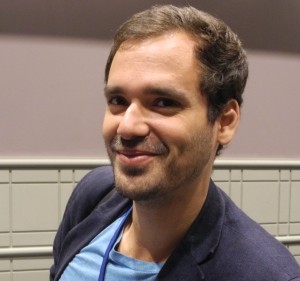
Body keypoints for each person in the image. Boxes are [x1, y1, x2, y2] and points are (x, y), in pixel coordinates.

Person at [50, 5, 300, 281]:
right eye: (118, 101)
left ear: (224, 122)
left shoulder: (264, 274)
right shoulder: (94, 195)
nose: (128, 127)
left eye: (163, 103)